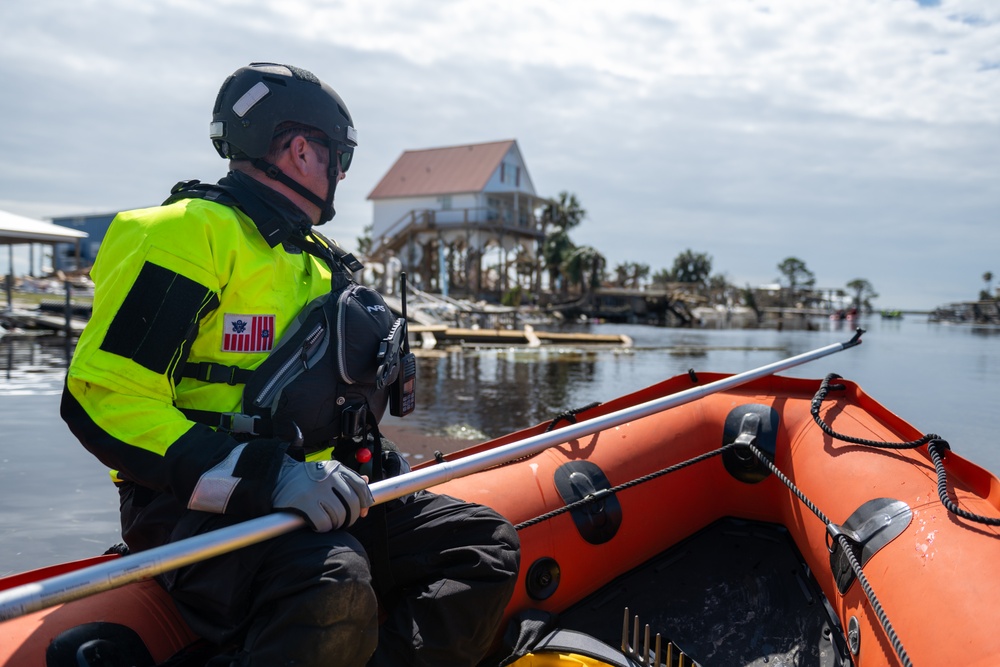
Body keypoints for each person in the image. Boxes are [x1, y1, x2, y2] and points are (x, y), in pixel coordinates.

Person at [61, 62, 520, 667]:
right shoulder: (183, 235)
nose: (345, 174)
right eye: (342, 156)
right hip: (197, 505)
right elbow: (103, 400)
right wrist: (268, 477)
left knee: (480, 546)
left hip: (318, 488)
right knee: (332, 583)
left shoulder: (314, 257)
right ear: (303, 149)